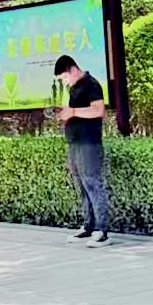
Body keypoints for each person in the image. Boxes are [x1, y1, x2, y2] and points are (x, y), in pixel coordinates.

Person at [55, 53, 110, 244]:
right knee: (82, 186)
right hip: (75, 143)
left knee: (93, 184)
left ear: (72, 69)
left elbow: (98, 110)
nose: (64, 82)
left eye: (64, 77)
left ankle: (101, 230)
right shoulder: (74, 88)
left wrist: (73, 111)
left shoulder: (91, 84)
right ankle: (88, 226)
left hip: (89, 143)